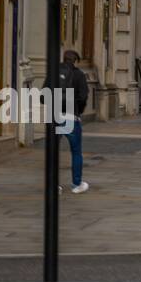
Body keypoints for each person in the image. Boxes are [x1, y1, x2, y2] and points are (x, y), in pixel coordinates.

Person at [58, 49, 89, 194]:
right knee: (76, 152)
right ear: (75, 61)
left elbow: (43, 95)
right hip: (72, 117)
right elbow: (83, 97)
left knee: (53, 151)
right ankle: (77, 184)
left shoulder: (54, 72)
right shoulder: (79, 75)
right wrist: (78, 110)